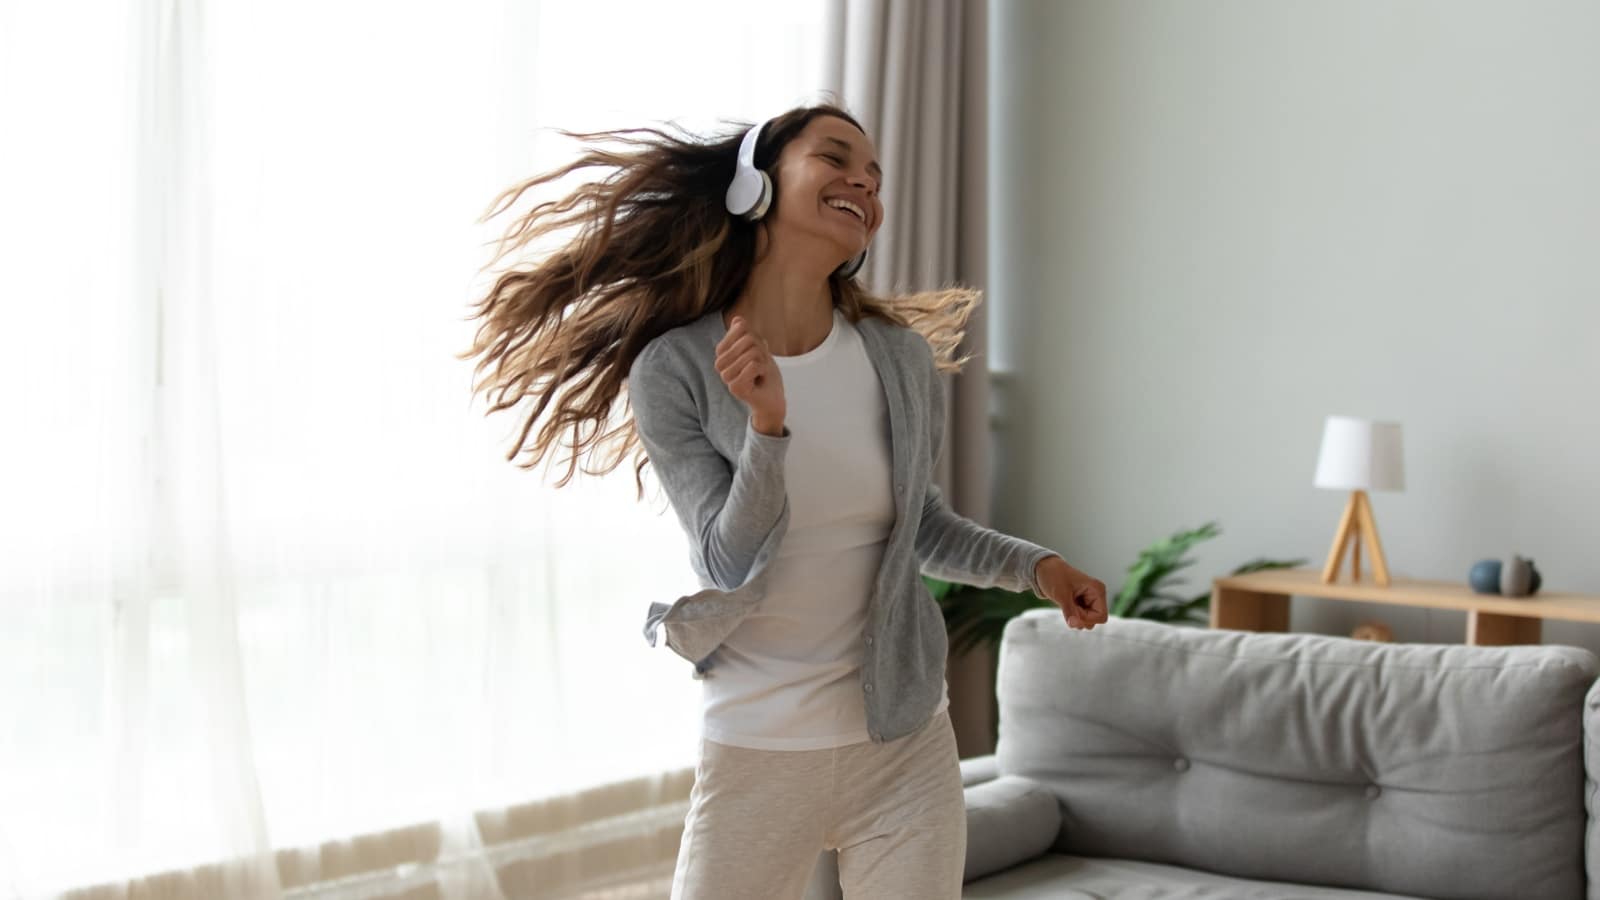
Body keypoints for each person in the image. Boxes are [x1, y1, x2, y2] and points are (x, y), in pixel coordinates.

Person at [459, 102, 1109, 899]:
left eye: (874, 178)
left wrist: (1039, 569)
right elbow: (724, 560)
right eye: (835, 159)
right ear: (754, 187)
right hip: (758, 744)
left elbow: (923, 526)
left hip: (903, 744)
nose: (863, 185)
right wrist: (767, 427)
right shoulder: (676, 367)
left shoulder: (897, 359)